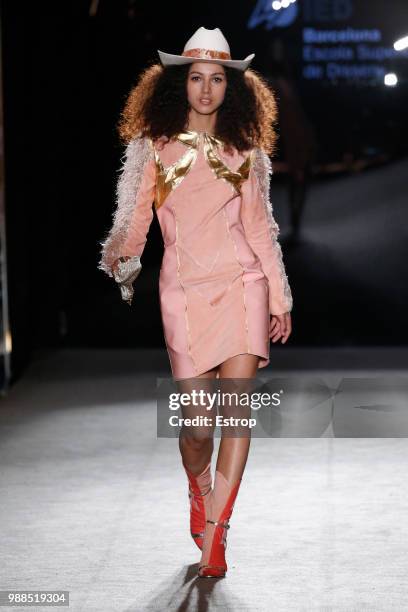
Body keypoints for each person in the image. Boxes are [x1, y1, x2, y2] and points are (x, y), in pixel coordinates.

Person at [98, 26, 293, 578]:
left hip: (243, 287)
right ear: (178, 85)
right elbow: (135, 219)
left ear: (231, 88)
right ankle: (199, 486)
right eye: (195, 79)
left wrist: (278, 296)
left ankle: (217, 533)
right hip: (183, 292)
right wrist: (124, 254)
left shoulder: (247, 151)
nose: (206, 90)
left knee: (236, 414)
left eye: (216, 80)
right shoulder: (152, 149)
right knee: (197, 427)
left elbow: (262, 229)